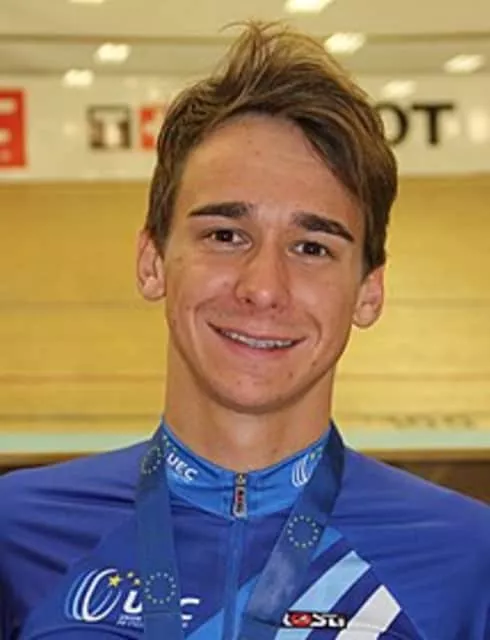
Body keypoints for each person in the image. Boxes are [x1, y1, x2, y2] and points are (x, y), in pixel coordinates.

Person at [1, 21, 489, 640]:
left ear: (369, 291)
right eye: (225, 235)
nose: (263, 287)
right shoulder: (15, 537)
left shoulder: (469, 562)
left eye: (312, 247)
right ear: (152, 262)